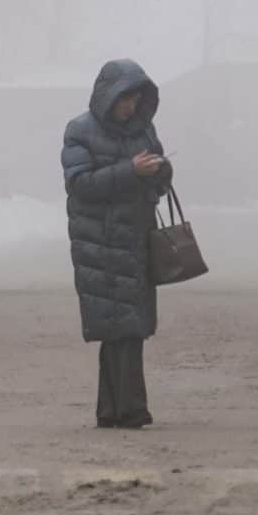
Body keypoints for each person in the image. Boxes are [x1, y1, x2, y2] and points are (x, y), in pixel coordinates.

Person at [62, 59, 172, 429]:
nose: (131, 106)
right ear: (109, 96)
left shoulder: (143, 130)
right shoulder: (80, 130)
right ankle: (129, 409)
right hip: (101, 244)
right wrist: (130, 171)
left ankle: (115, 410)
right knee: (120, 328)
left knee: (129, 327)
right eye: (126, 98)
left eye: (137, 99)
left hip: (136, 241)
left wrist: (160, 170)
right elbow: (80, 185)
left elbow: (159, 181)